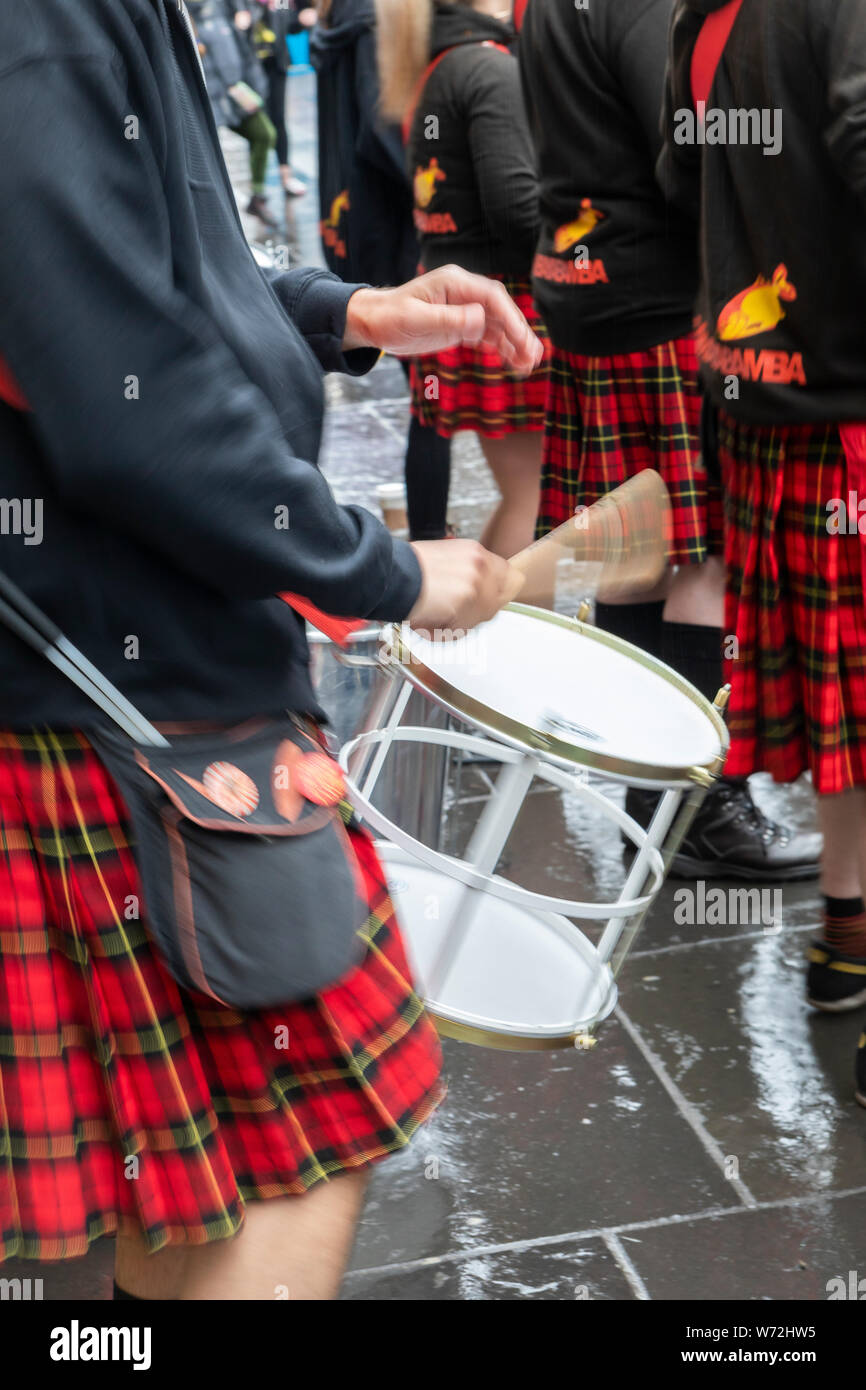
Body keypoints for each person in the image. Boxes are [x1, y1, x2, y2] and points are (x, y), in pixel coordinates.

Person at [0, 0, 542, 1298]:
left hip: (100, 671)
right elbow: (128, 393)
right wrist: (388, 569)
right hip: (115, 684)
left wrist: (357, 309)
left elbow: (168, 279)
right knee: (302, 1143)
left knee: (180, 1190)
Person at [518, 0, 819, 880]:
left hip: (587, 283)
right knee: (706, 559)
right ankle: (701, 810)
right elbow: (693, 146)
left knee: (641, 556)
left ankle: (648, 802)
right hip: (661, 297)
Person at [659, 0, 866, 1096]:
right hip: (842, 420)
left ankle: (842, 939)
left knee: (850, 712)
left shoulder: (709, 13)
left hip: (758, 407)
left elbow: (678, 174)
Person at [377, 0, 550, 559]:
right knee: (532, 499)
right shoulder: (487, 65)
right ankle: (505, 642)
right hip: (506, 300)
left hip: (466, 290)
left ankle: (489, 636)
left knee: (523, 495)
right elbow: (516, 210)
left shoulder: (436, 64)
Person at [311, 0, 454, 541]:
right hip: (393, 235)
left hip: (356, 221)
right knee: (432, 399)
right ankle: (428, 539)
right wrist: (443, 179)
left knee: (428, 395)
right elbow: (388, 128)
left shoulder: (344, 14)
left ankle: (426, 532)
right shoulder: (372, 17)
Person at [189, 0, 279, 227]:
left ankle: (257, 198)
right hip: (207, 100)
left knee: (265, 134)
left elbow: (245, 53)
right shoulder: (183, 13)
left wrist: (255, 90)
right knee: (207, 157)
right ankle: (208, 216)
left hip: (236, 94)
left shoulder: (224, 8)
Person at [231, 1, 316, 199]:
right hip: (250, 70)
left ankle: (286, 178)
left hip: (276, 66)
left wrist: (302, 21)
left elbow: (290, 26)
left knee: (278, 120)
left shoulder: (280, 2)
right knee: (256, 124)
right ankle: (257, 186)